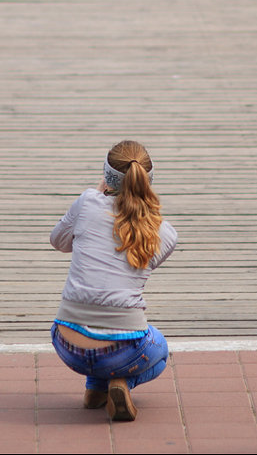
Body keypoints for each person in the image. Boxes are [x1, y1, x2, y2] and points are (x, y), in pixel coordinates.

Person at [50, 140, 177, 422]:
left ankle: (95, 388)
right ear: (148, 180)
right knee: (160, 350)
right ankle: (120, 384)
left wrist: (95, 196)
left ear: (106, 177)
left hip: (67, 345)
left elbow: (58, 241)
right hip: (124, 350)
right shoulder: (165, 233)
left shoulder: (87, 203)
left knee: (95, 335)